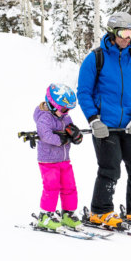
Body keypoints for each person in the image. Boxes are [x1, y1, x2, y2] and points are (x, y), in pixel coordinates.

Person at [77, 12, 131, 229]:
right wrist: (94, 120)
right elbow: (83, 92)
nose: (127, 38)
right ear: (112, 32)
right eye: (123, 33)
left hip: (129, 126)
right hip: (105, 126)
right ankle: (100, 212)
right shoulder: (96, 58)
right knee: (110, 169)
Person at [32, 83, 85, 231]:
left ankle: (68, 214)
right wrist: (60, 140)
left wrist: (75, 136)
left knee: (69, 186)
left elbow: (71, 130)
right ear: (52, 104)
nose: (66, 112)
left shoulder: (65, 117)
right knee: (52, 188)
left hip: (64, 159)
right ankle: (45, 216)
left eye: (68, 109)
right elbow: (45, 135)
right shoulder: (44, 117)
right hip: (48, 160)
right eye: (64, 109)